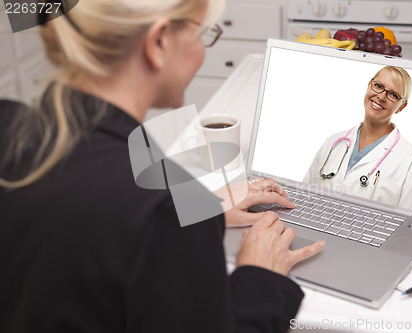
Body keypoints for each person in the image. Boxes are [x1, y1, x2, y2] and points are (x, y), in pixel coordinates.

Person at [0, 1, 324, 332]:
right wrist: (260, 276)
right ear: (158, 42)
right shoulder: (159, 214)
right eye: (202, 34)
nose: (201, 51)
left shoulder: (7, 124)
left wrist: (199, 206)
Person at [303, 66, 412, 212]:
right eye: (378, 86)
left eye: (393, 95)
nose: (381, 97)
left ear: (401, 107)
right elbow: (305, 197)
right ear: (369, 85)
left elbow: (411, 226)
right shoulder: (333, 143)